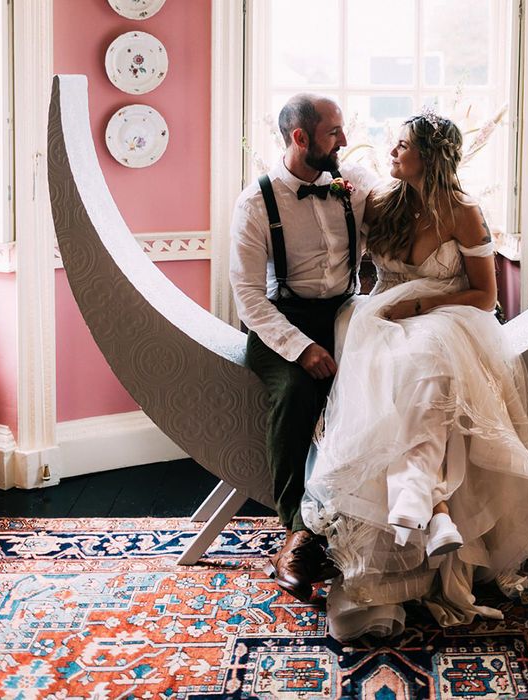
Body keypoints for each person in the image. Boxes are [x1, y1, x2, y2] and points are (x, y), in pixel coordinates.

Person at [301, 109, 528, 641]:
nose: (392, 153)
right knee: (400, 374)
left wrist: (420, 305)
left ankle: (423, 501)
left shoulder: (464, 211)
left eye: (402, 146)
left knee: (427, 370)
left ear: (432, 156)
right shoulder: (382, 199)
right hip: (379, 322)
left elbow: (485, 295)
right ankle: (433, 507)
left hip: (441, 316)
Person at [229, 93, 378, 602]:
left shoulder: (355, 187)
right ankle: (297, 534)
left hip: (344, 315)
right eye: (334, 131)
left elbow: (403, 223)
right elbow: (248, 296)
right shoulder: (255, 203)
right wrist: (301, 348)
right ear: (300, 138)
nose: (344, 140)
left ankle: (368, 525)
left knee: (377, 391)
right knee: (296, 391)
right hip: (278, 323)